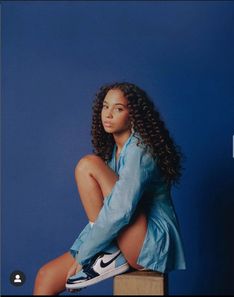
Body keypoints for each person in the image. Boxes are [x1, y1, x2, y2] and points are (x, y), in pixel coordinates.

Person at [33, 82, 186, 295]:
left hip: (148, 242)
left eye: (119, 108)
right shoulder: (112, 152)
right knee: (45, 278)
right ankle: (108, 253)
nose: (109, 114)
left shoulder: (141, 149)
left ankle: (108, 254)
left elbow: (120, 209)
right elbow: (104, 214)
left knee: (88, 164)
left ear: (133, 115)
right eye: (105, 106)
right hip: (121, 233)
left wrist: (87, 253)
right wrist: (85, 250)